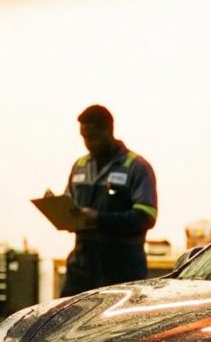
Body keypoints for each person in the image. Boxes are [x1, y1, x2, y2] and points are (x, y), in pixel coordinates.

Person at [59, 104, 158, 297]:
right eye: (84, 137)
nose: (89, 143)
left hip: (121, 266)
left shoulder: (136, 167)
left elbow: (146, 216)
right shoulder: (79, 166)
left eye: (94, 137)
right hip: (82, 264)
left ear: (109, 130)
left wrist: (98, 218)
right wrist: (60, 210)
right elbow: (69, 203)